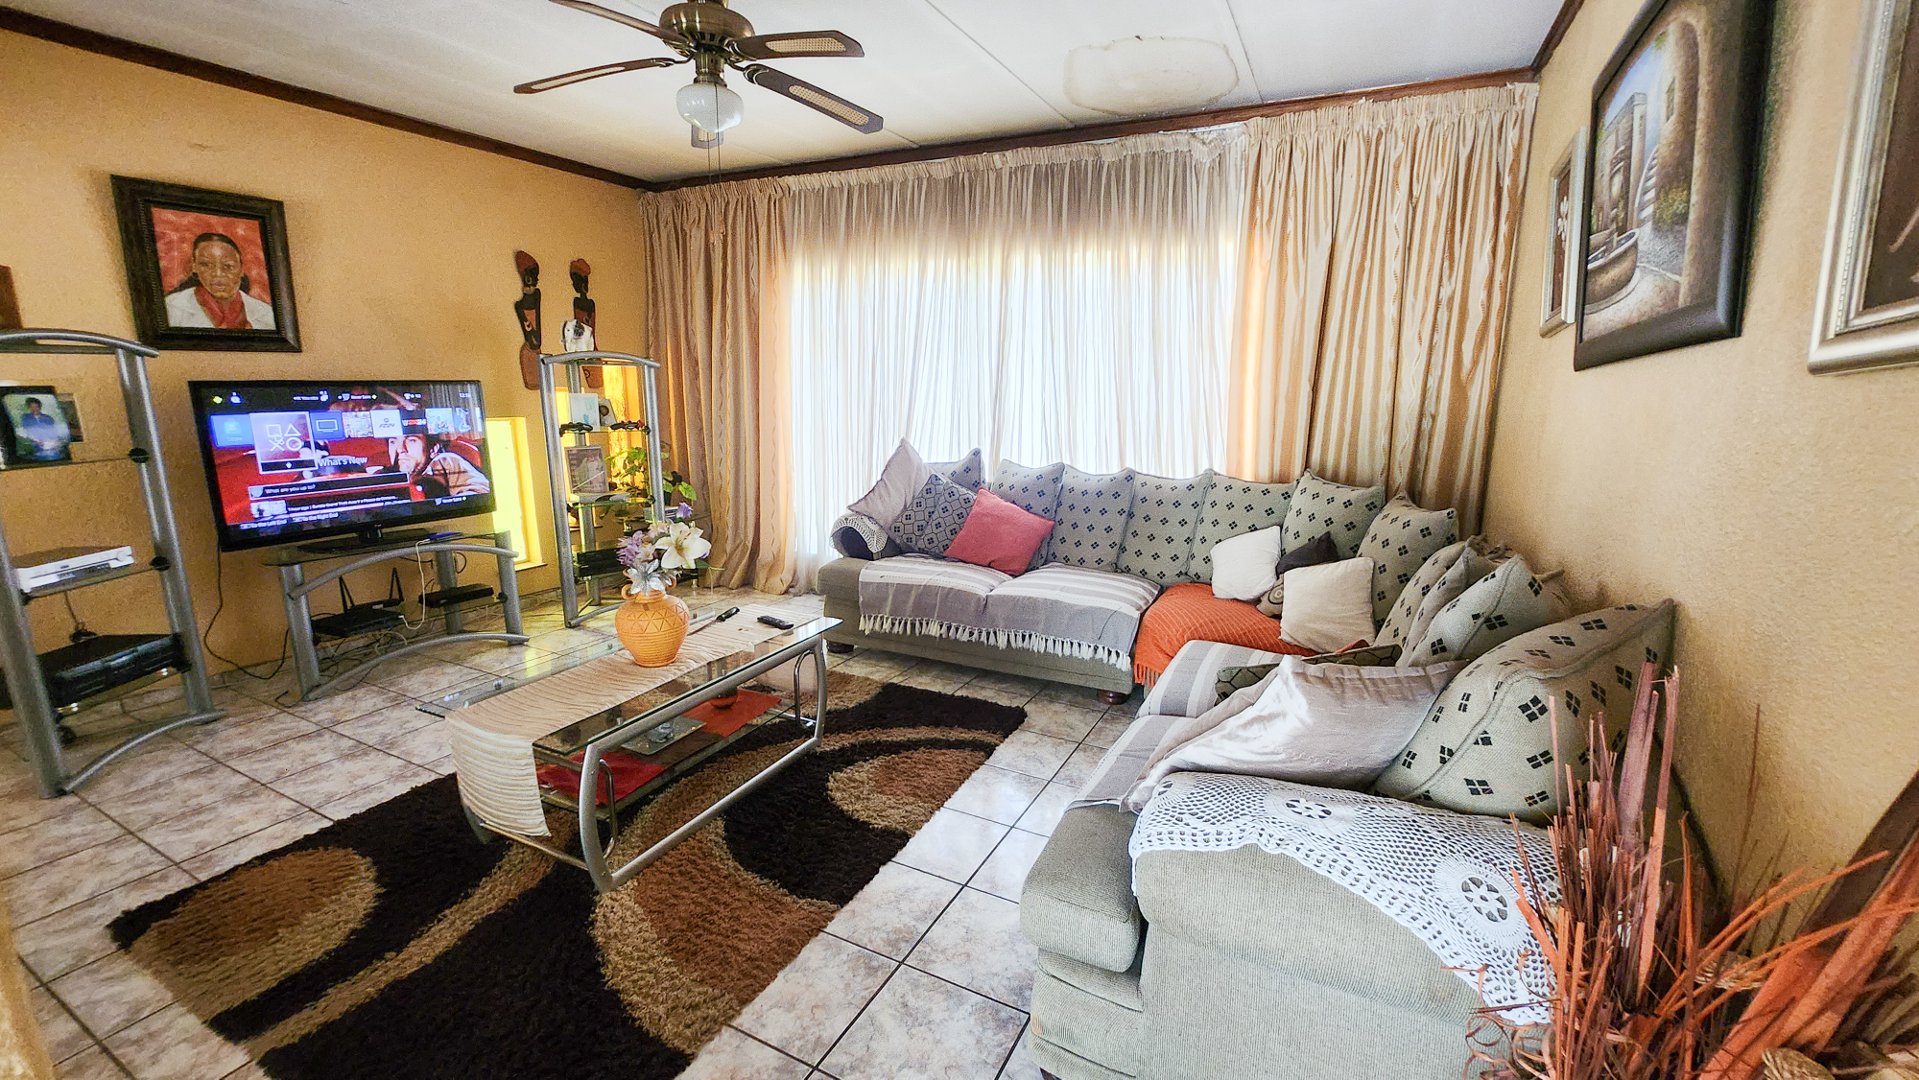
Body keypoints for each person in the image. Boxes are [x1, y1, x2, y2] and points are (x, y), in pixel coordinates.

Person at [162, 232, 276, 330]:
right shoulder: (171, 308)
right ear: (194, 266)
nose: (218, 274)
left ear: (241, 269)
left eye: (228, 266)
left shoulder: (266, 314)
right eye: (205, 265)